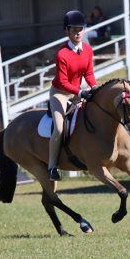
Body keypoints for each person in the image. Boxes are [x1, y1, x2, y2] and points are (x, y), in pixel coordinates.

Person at [48, 10, 98, 181]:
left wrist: (95, 87)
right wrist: (80, 92)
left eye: (80, 29)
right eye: (74, 30)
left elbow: (89, 74)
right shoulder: (62, 54)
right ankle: (52, 166)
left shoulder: (88, 50)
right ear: (67, 31)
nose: (78, 33)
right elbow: (62, 82)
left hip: (76, 92)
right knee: (60, 128)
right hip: (60, 94)